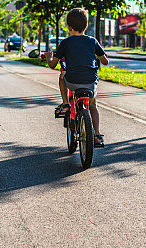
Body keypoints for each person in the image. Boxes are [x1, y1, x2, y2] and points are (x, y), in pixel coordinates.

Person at [45, 8, 109, 147]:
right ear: (86, 26)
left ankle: (66, 104)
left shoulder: (65, 43)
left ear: (68, 27)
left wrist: (50, 57)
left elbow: (52, 65)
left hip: (72, 81)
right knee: (93, 105)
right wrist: (98, 56)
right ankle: (97, 135)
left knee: (62, 76)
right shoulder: (92, 41)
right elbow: (105, 61)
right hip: (91, 82)